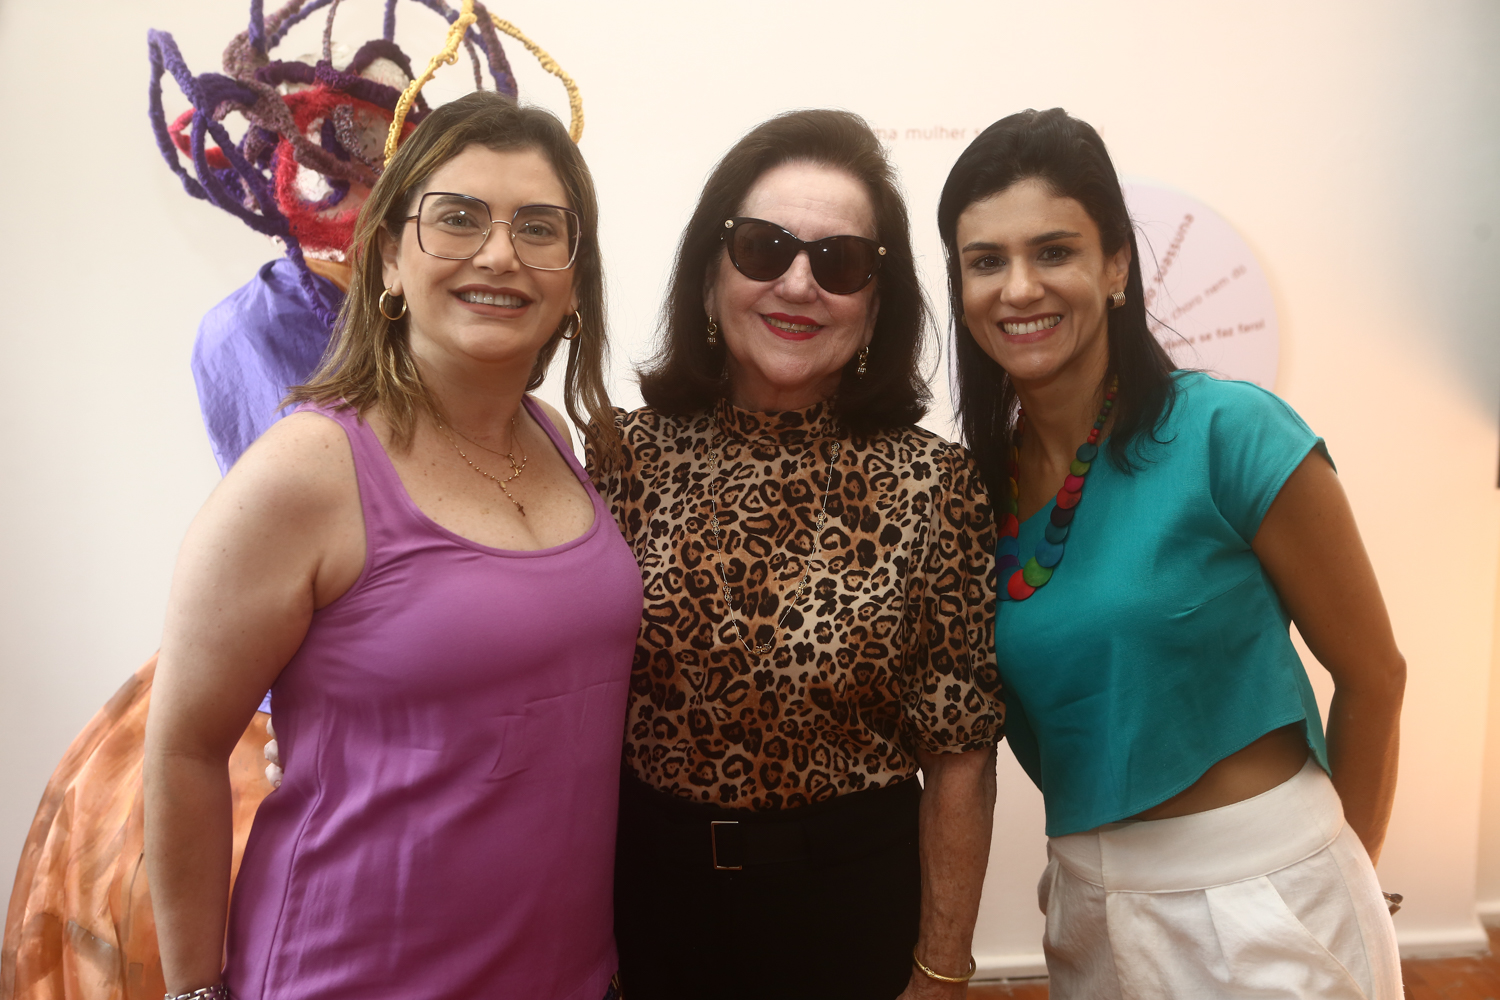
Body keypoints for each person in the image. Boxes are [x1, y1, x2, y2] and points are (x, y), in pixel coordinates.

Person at [143, 92, 641, 1000]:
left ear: (575, 280)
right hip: (350, 974)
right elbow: (184, 750)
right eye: (457, 218)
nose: (499, 254)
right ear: (388, 258)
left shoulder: (554, 440)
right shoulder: (305, 471)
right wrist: (191, 994)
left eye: (539, 227)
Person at [938, 107, 1405, 999]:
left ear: (1117, 265)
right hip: (1087, 909)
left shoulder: (1231, 430)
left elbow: (1377, 676)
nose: (1019, 288)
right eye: (986, 261)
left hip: (1267, 897)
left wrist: (1344, 877)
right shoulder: (974, 495)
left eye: (1054, 251)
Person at [590, 109, 1003, 1000]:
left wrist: (941, 968)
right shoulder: (618, 459)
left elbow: (961, 752)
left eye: (841, 262)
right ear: (710, 277)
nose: (800, 284)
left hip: (848, 912)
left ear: (876, 304)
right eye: (763, 249)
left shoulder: (935, 486)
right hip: (645, 904)